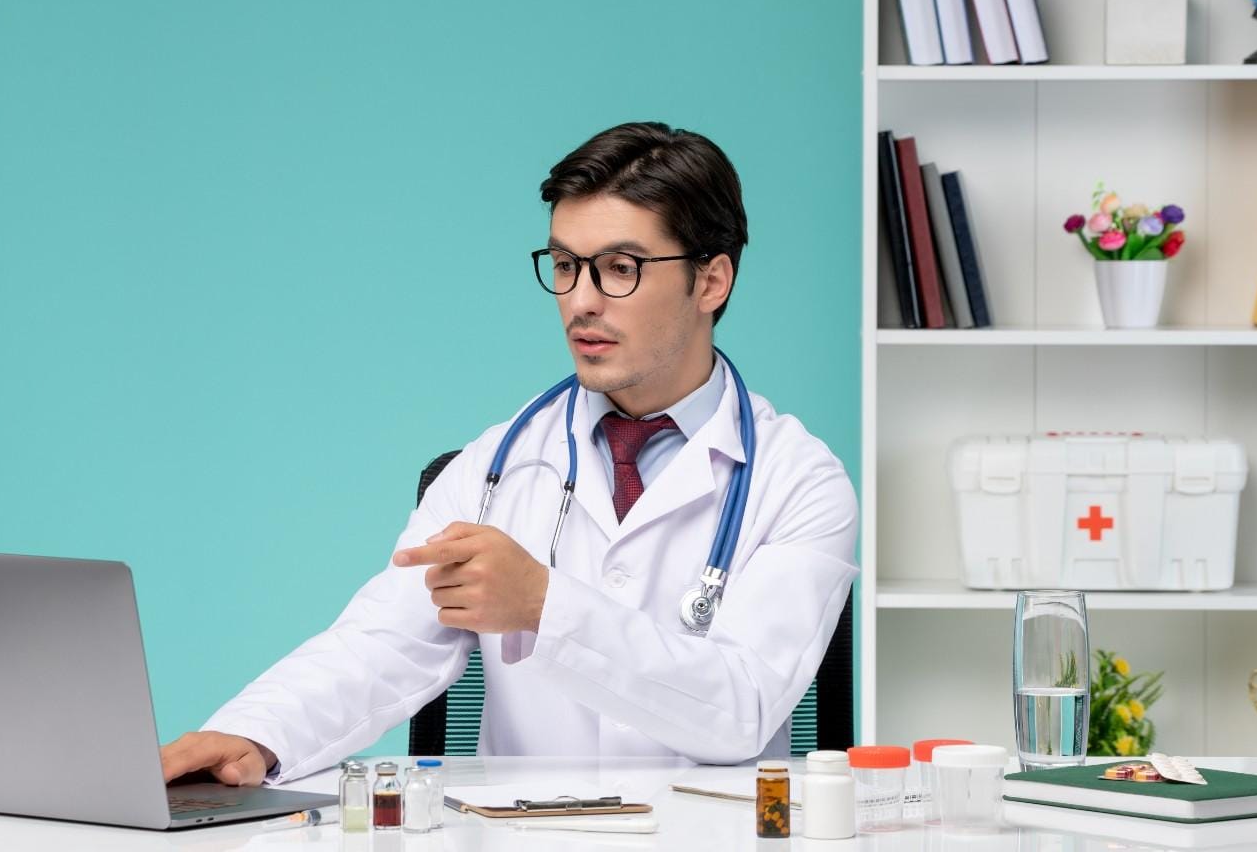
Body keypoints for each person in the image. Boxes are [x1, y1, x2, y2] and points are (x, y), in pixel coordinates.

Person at [159, 122, 858, 786]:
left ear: (710, 281)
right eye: (563, 264)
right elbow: (383, 642)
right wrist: (255, 735)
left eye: (620, 267)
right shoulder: (495, 467)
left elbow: (744, 708)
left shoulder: (798, 483)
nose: (580, 301)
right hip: (516, 832)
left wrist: (544, 605)